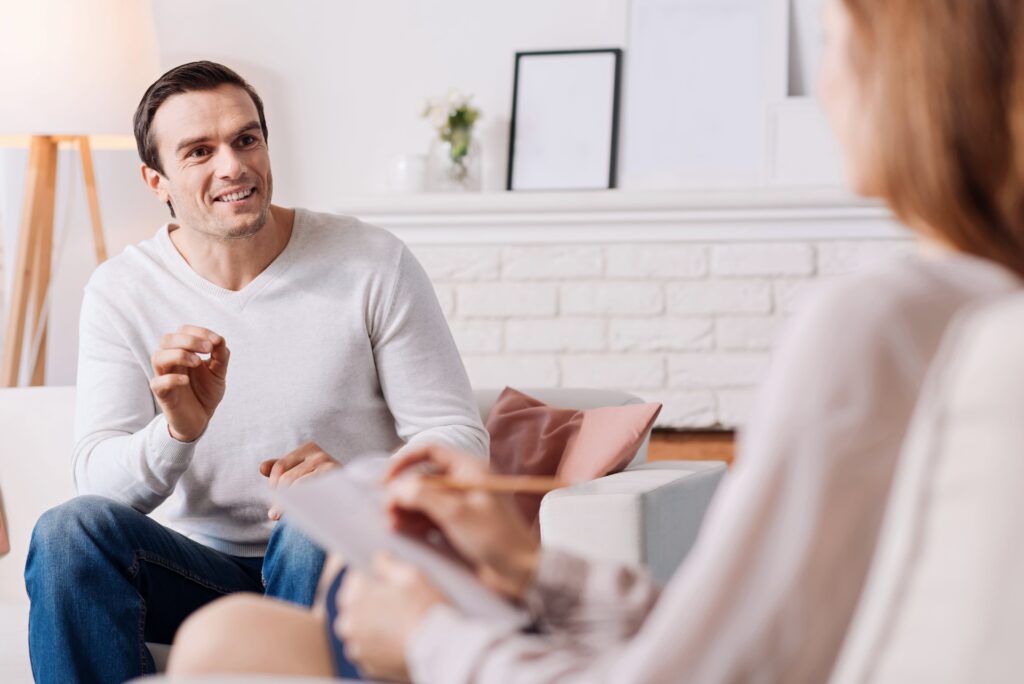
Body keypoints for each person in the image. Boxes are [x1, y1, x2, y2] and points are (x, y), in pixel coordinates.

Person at [166, 0, 1024, 681]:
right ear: (161, 180)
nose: (828, 85)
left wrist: (427, 637)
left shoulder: (885, 324)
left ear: (910, 74)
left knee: (225, 648)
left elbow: (696, 674)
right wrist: (536, 574)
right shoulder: (977, 314)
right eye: (198, 150)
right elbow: (735, 637)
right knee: (214, 626)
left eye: (834, 41)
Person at [23, 61, 488, 684]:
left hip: (344, 559)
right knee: (67, 533)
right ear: (155, 179)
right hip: (197, 572)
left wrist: (359, 484)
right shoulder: (120, 290)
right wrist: (177, 433)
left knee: (313, 514)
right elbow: (98, 484)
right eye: (198, 151)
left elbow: (457, 435)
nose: (232, 166)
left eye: (246, 139)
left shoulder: (372, 261)